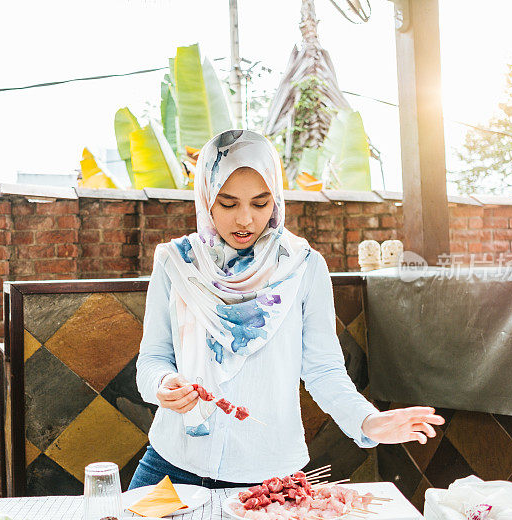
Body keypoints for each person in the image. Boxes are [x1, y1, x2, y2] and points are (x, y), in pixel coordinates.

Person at [130, 129, 443, 490]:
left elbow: (323, 369)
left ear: (276, 200)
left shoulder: (303, 266)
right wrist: (162, 385)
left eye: (260, 203)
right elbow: (152, 360)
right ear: (205, 198)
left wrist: (366, 422)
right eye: (228, 204)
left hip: (268, 474)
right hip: (172, 463)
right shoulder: (176, 263)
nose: (245, 219)